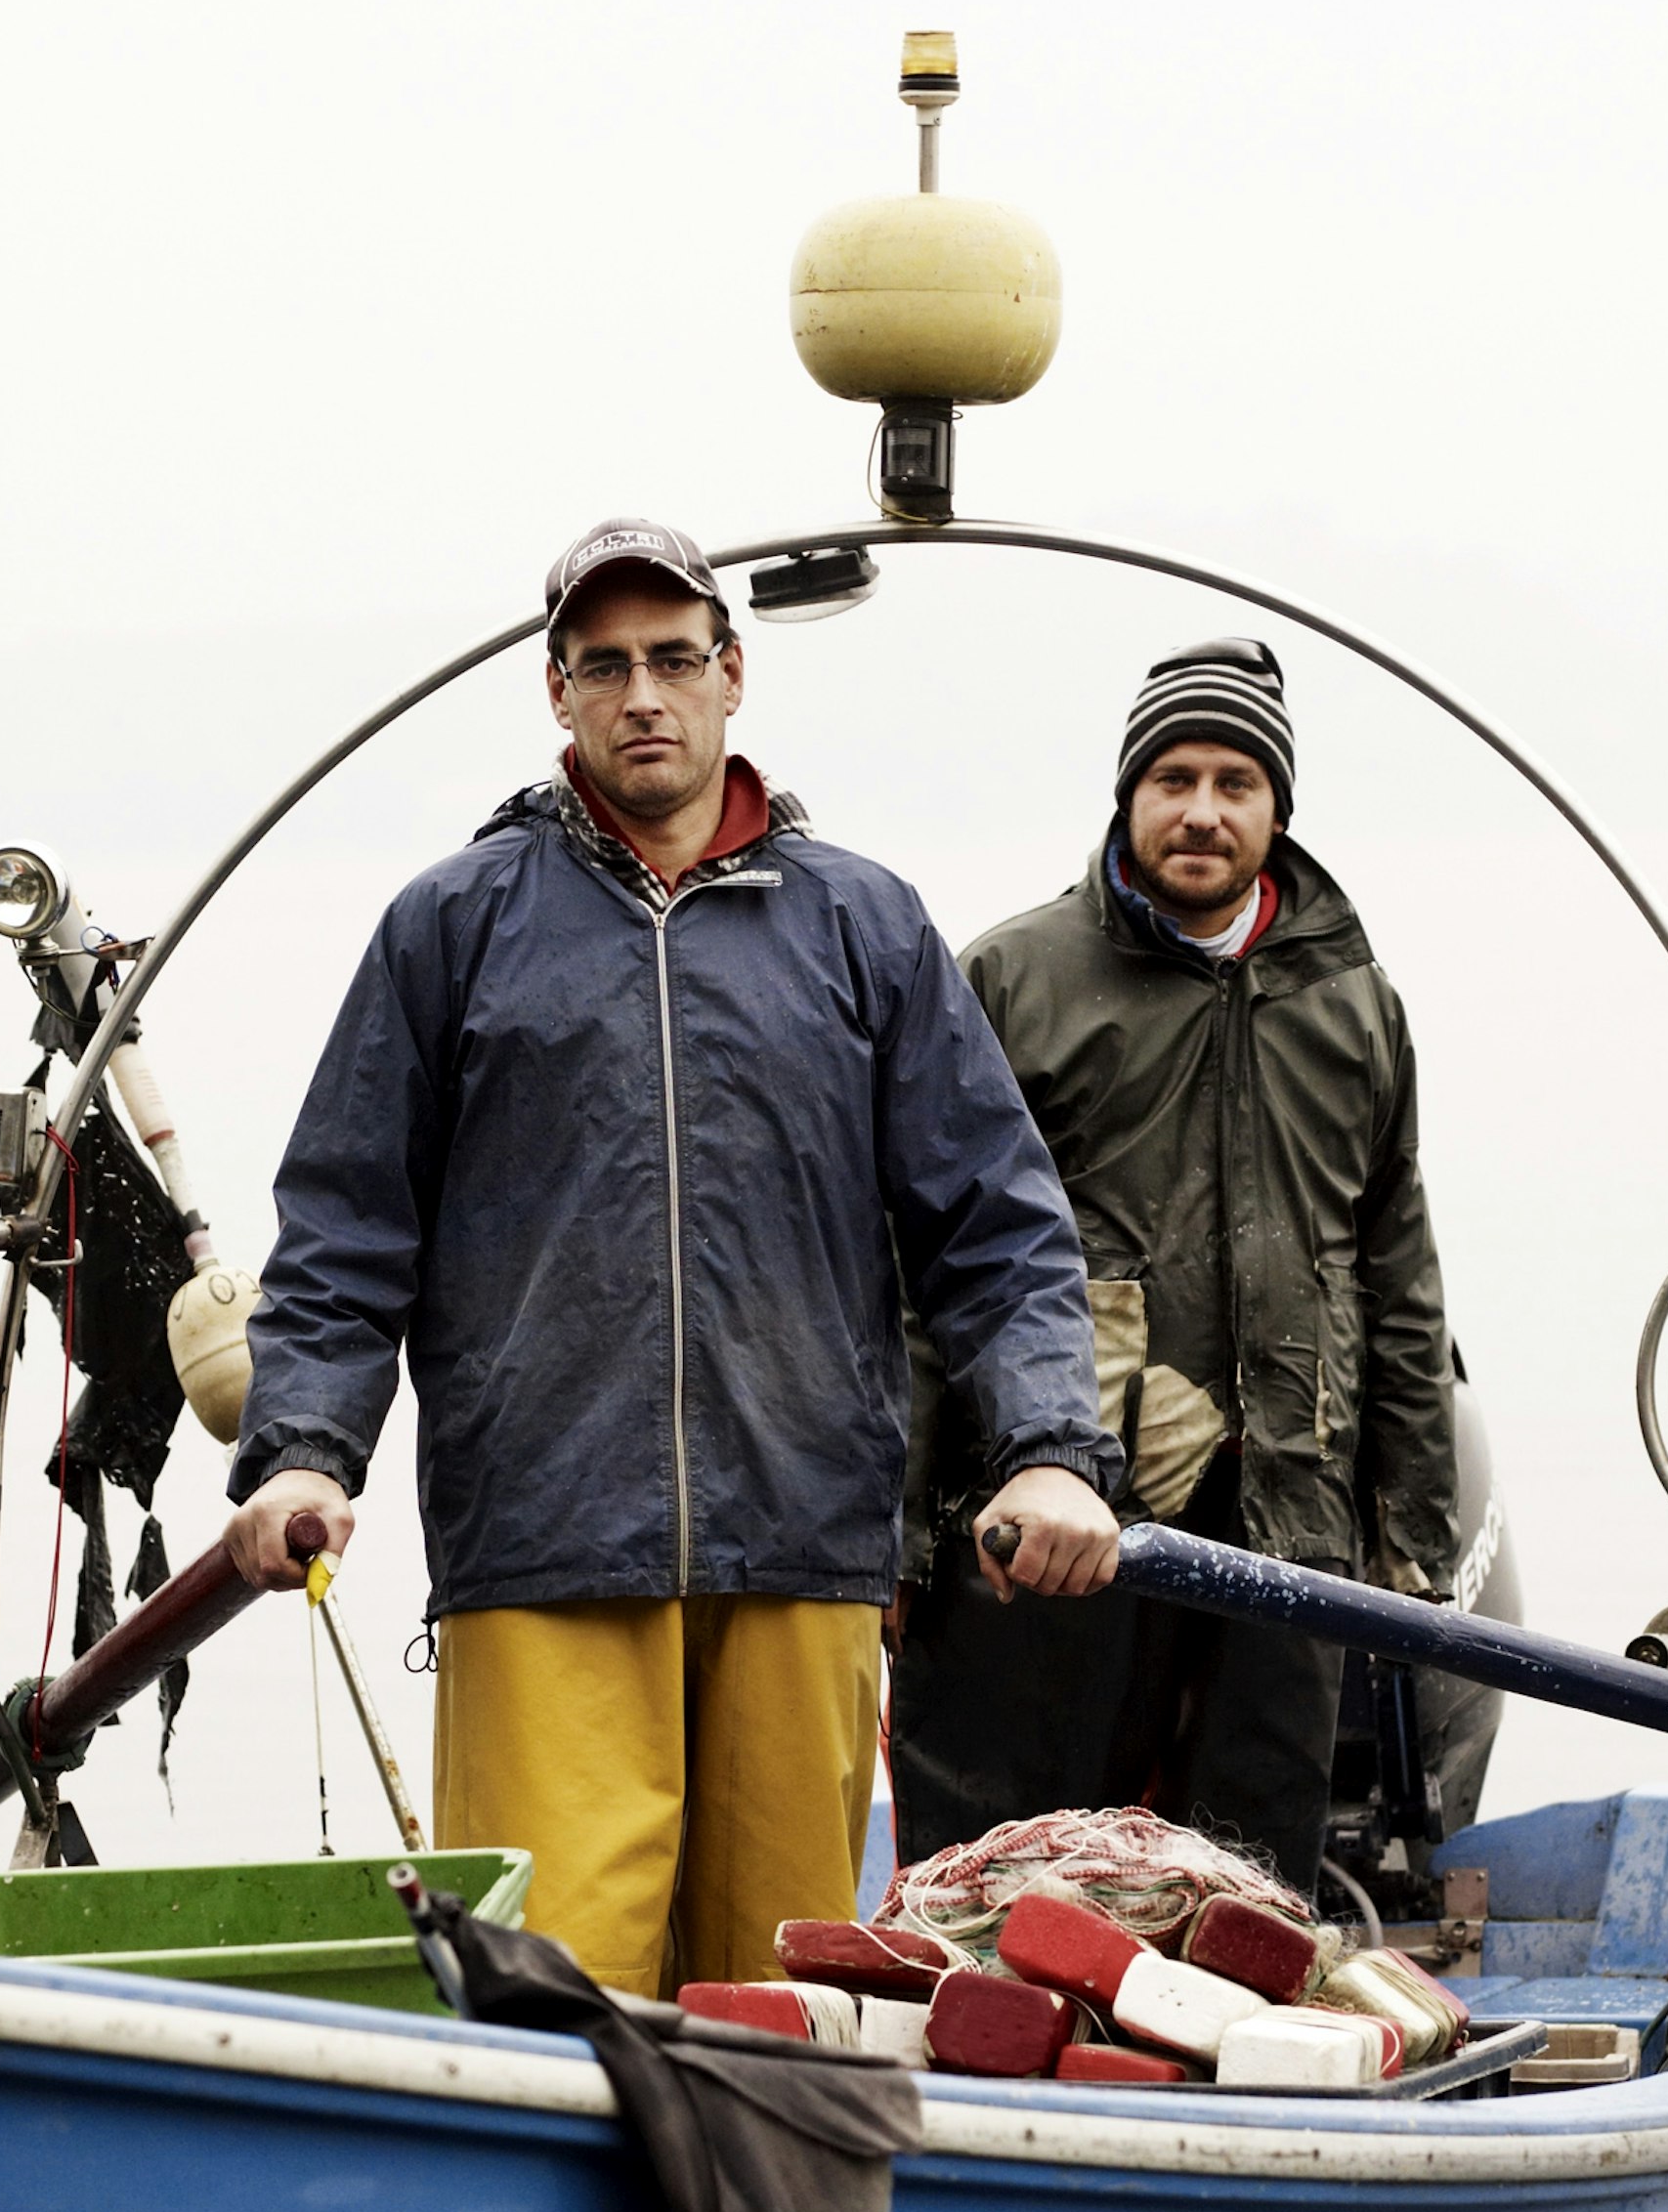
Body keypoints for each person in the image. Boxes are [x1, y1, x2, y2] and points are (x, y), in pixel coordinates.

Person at [218, 518, 1125, 1992]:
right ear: (557, 692)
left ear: (733, 675)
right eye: (606, 664)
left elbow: (1001, 1227)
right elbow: (342, 1230)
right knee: (552, 1997)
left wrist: (1051, 1450)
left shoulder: (865, 925)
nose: (644, 692)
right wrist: (302, 1451)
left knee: (789, 2001)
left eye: (673, 659)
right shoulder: (451, 927)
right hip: (544, 1552)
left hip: (805, 1545)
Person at [889, 630, 1504, 1912]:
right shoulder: (1015, 977)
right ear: (1128, 798)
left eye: (1237, 782)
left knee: (1248, 1893)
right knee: (1014, 1881)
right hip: (1051, 1515)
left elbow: (1396, 1277)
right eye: (1173, 779)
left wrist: (1417, 1544)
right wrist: (889, 1536)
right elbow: (919, 1271)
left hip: (1285, 1514)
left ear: (1279, 809)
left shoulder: (1354, 1001)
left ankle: (1240, 2085)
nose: (1203, 812)